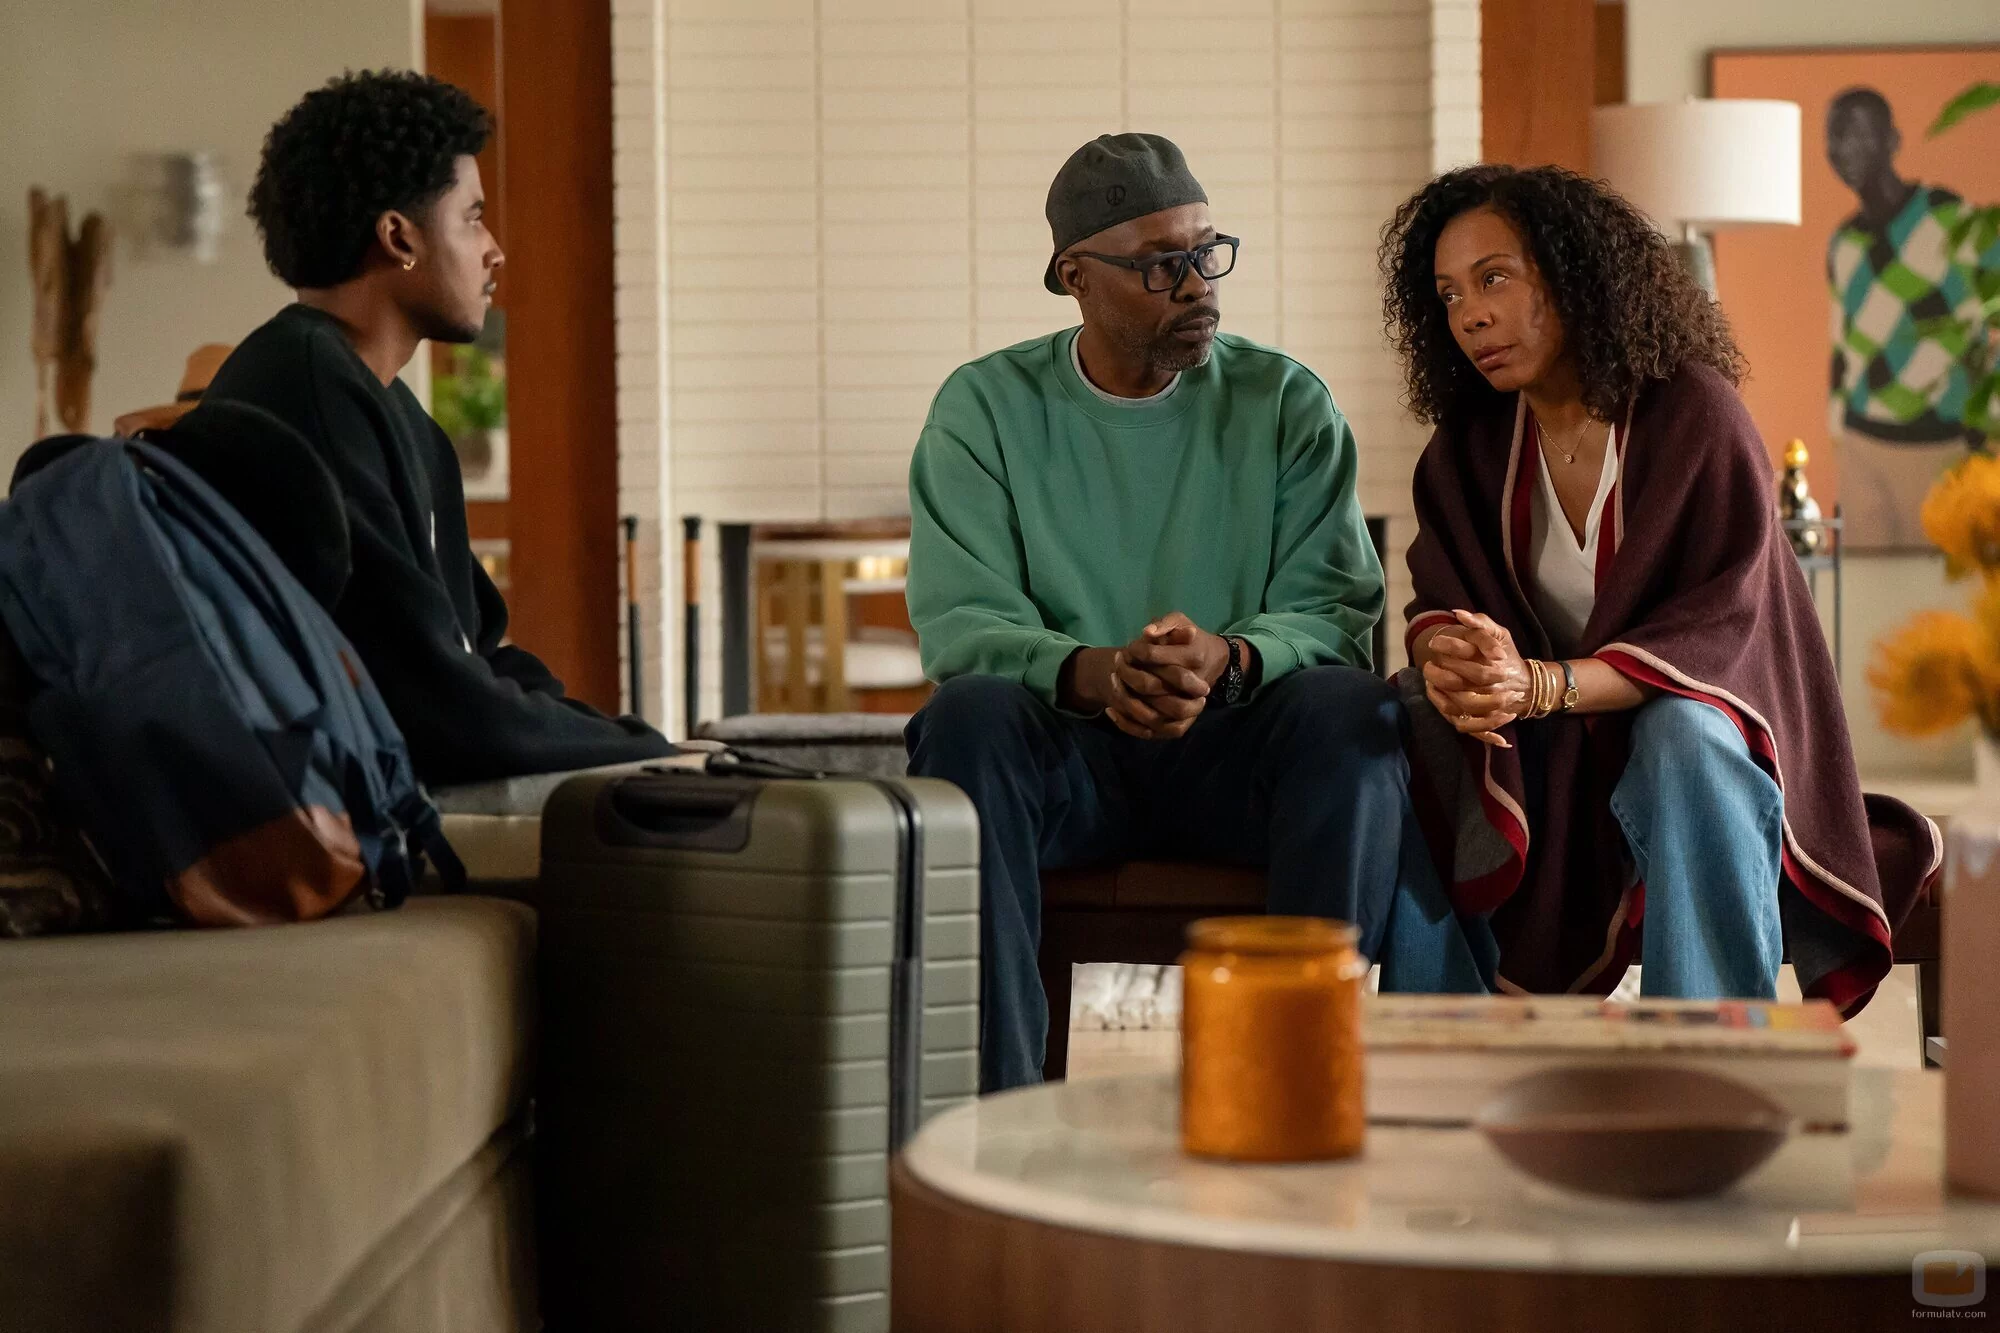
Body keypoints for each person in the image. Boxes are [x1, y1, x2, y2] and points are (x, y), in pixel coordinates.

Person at [905, 133, 1484, 1092]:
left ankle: (1295, 1081)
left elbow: (1334, 609)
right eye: (1159, 264)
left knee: (1353, 710)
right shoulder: (985, 409)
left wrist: (1230, 658)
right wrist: (1097, 673)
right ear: (1074, 277)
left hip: (1235, 756)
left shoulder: (1285, 400)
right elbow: (962, 620)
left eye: (1207, 252)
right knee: (966, 717)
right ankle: (994, 1107)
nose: (1197, 286)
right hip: (1068, 761)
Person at [1379, 163, 1935, 1017]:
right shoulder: (1471, 444)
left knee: (1686, 733)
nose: (1470, 316)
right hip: (1546, 752)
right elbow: (1440, 597)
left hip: (1704, 731)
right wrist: (1460, 662)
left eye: (1494, 278)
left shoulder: (1694, 415)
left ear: (1572, 275)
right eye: (1449, 295)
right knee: (1413, 718)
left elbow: (1723, 630)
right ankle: (1439, 1045)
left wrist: (1542, 685)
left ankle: (1712, 1051)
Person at [206, 71, 673, 787]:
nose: (494, 250)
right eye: (472, 218)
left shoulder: (396, 414)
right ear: (399, 236)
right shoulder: (307, 392)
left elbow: (475, 652)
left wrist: (640, 745)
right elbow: (437, 709)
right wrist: (647, 755)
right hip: (337, 806)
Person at [1825, 87, 2000, 548]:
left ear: (1893, 141)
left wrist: (1988, 422)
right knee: (1859, 583)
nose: (1845, 148)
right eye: (1835, 135)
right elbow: (1843, 343)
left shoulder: (1947, 216)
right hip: (1862, 448)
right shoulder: (1844, 243)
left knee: (1941, 580)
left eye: (1859, 133)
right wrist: (1838, 428)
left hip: (1940, 447)